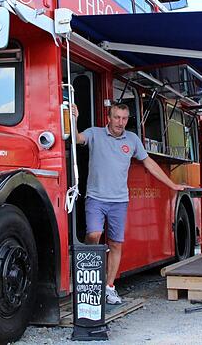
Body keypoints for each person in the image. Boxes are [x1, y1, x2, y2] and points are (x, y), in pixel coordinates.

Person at [74, 102, 186, 304]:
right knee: (94, 234)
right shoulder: (95, 133)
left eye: (124, 118)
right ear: (108, 117)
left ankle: (109, 287)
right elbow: (75, 139)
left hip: (119, 201)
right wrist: (73, 118)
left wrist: (172, 184)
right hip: (96, 197)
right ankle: (90, 263)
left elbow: (149, 163)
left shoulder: (132, 139)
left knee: (116, 243)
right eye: (117, 117)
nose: (120, 122)